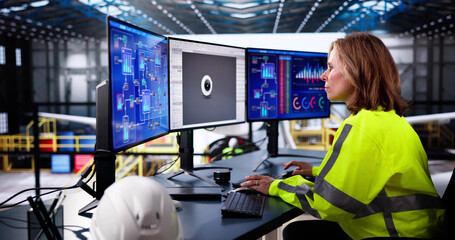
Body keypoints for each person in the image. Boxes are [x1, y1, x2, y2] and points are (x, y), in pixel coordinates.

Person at [241, 32, 446, 239]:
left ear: (356, 72)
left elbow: (328, 205)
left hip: (393, 233)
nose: (323, 75)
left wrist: (277, 185)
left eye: (330, 67)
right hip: (417, 230)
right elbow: (370, 173)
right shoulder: (392, 119)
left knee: (296, 234)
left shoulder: (362, 126)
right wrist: (316, 171)